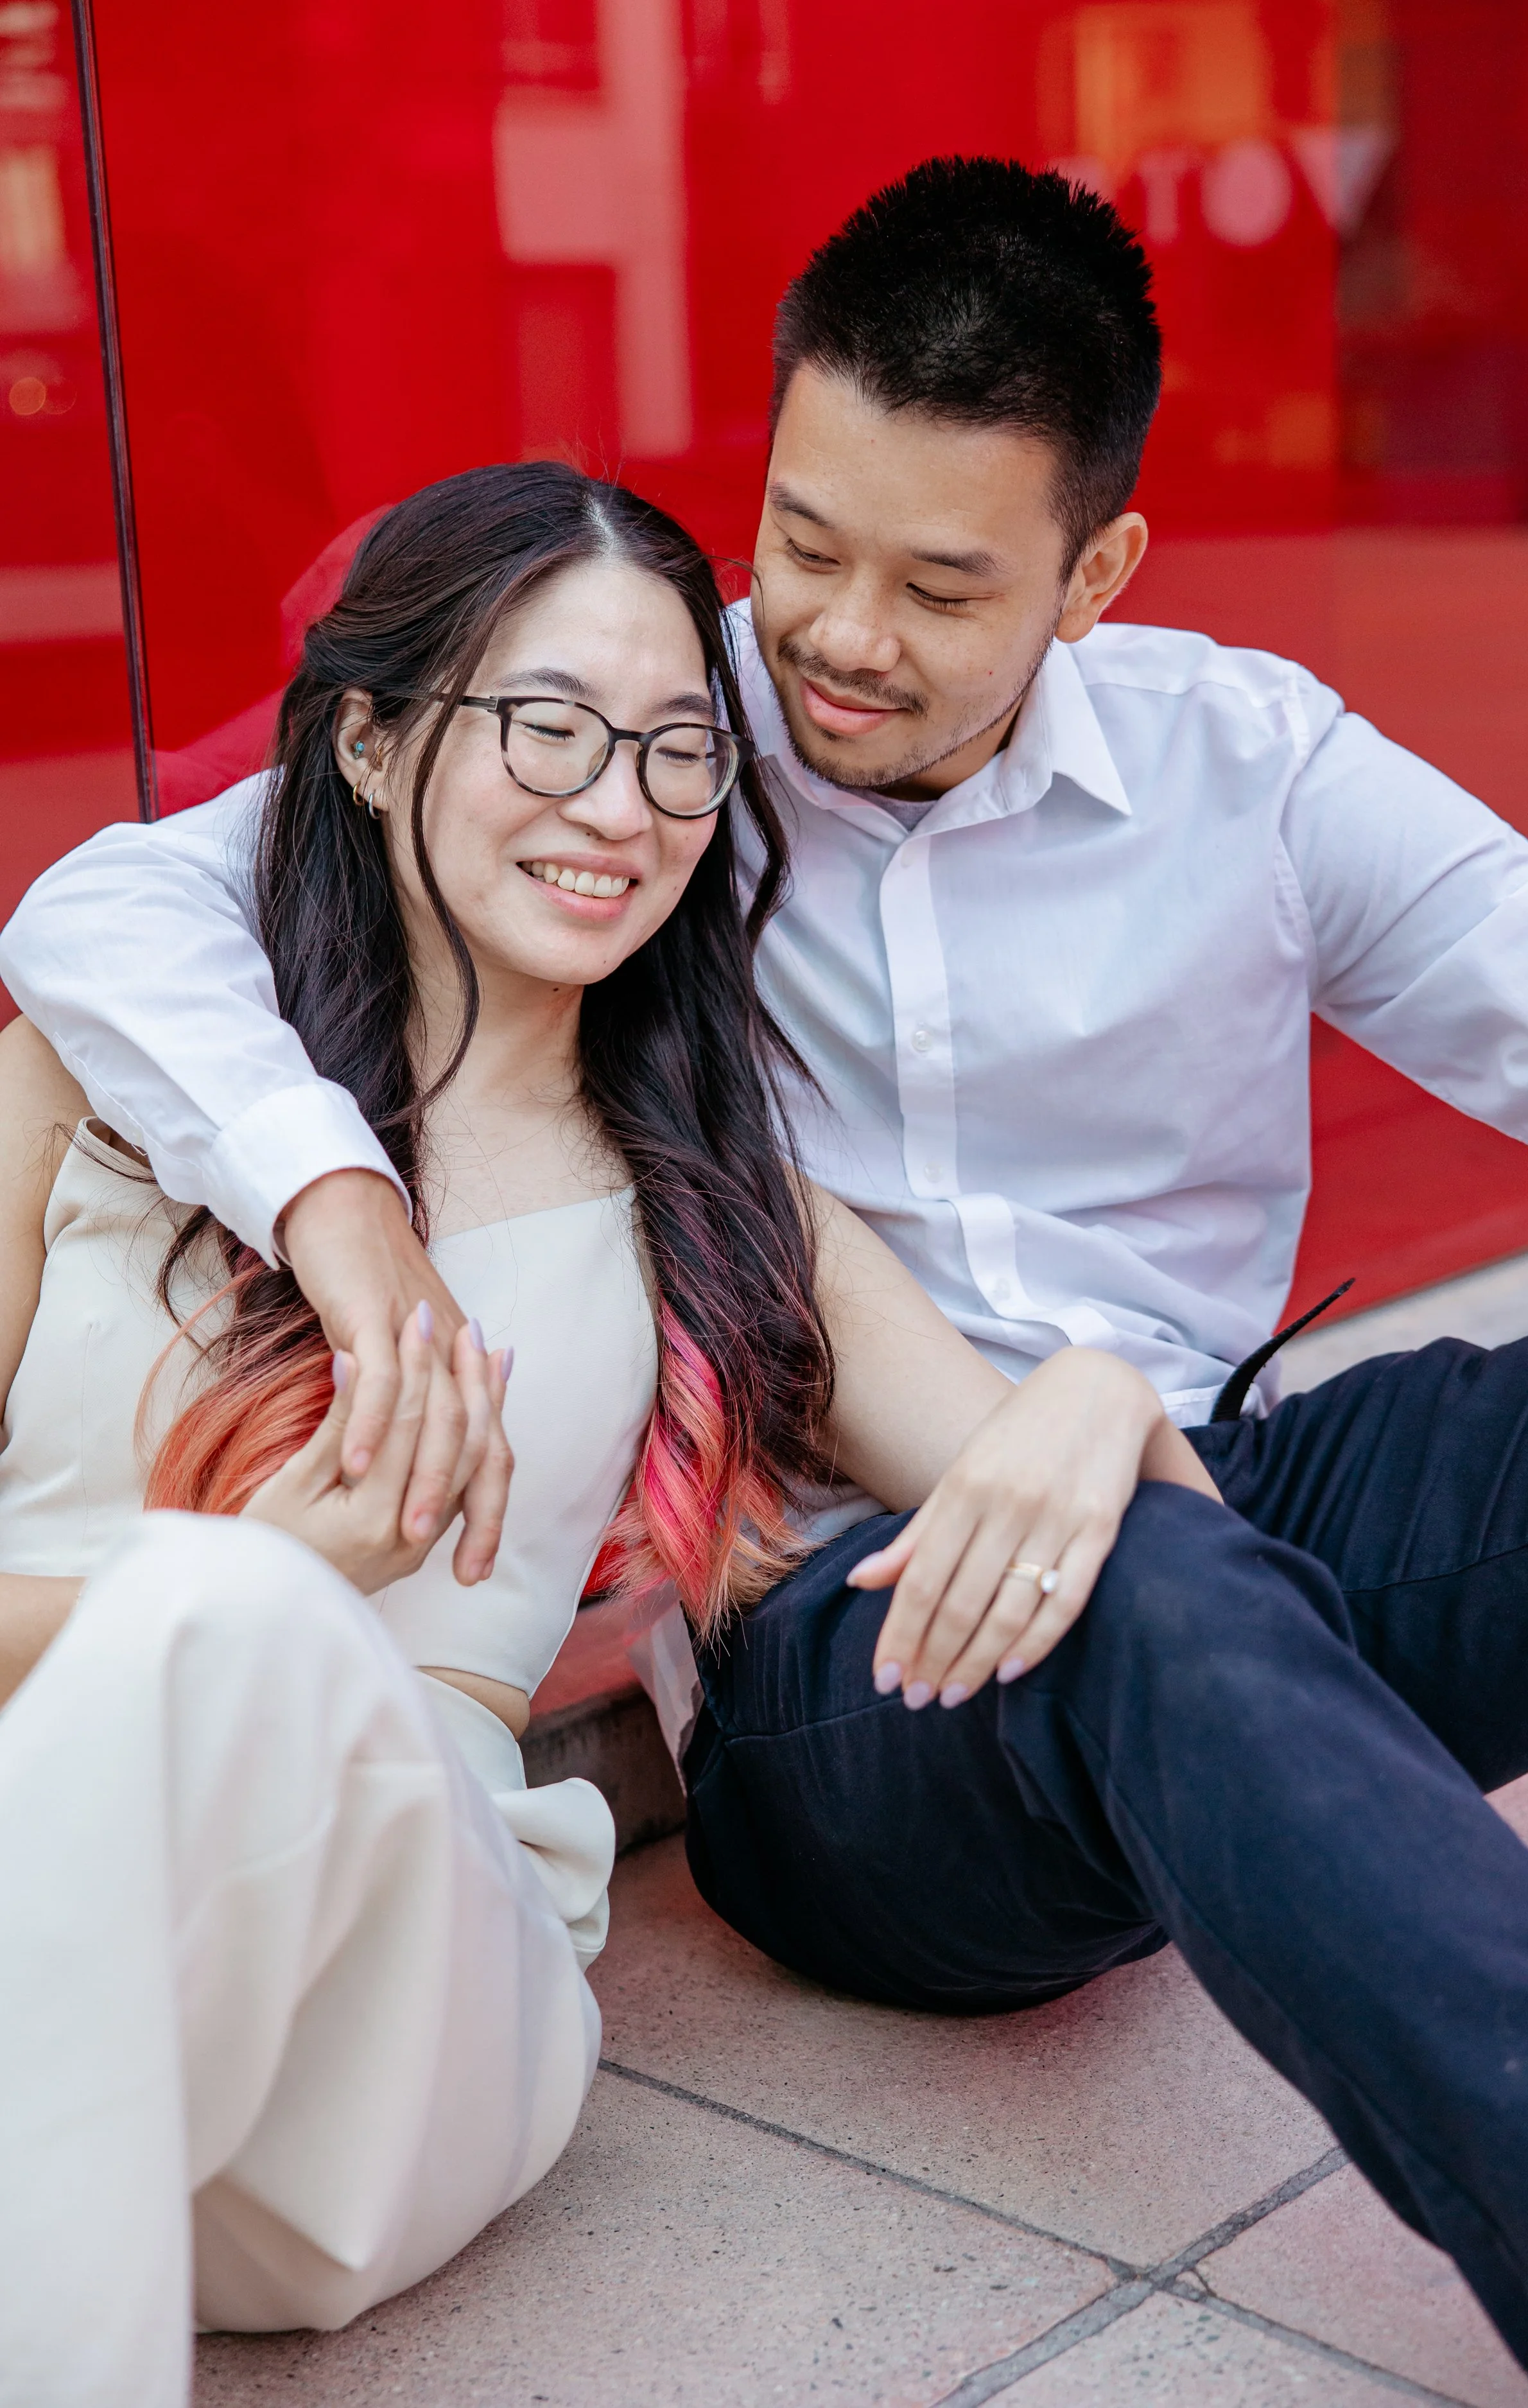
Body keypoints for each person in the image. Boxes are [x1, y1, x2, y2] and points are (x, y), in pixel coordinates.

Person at [7, 158, 1528, 2404]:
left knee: (1177, 1561)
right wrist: (334, 1203)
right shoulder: (646, 727)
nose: (836, 637)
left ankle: (1263, 1778)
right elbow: (117, 906)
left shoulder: (1239, 765)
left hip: (1190, 1502)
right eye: (805, 542)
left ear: (1097, 571)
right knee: (1145, 1578)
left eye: (945, 583)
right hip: (855, 1651)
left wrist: (1110, 1415)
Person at [0, 457, 1217, 2408]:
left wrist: (1110, 1378)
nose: (619, 807)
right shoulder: (106, 1065)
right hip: (54, 1922)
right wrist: (275, 1577)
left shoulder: (714, 1200)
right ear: (377, 746)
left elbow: (1099, 1508)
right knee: (207, 1625)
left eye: (676, 752)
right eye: (550, 728)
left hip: (393, 2024)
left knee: (218, 1627)